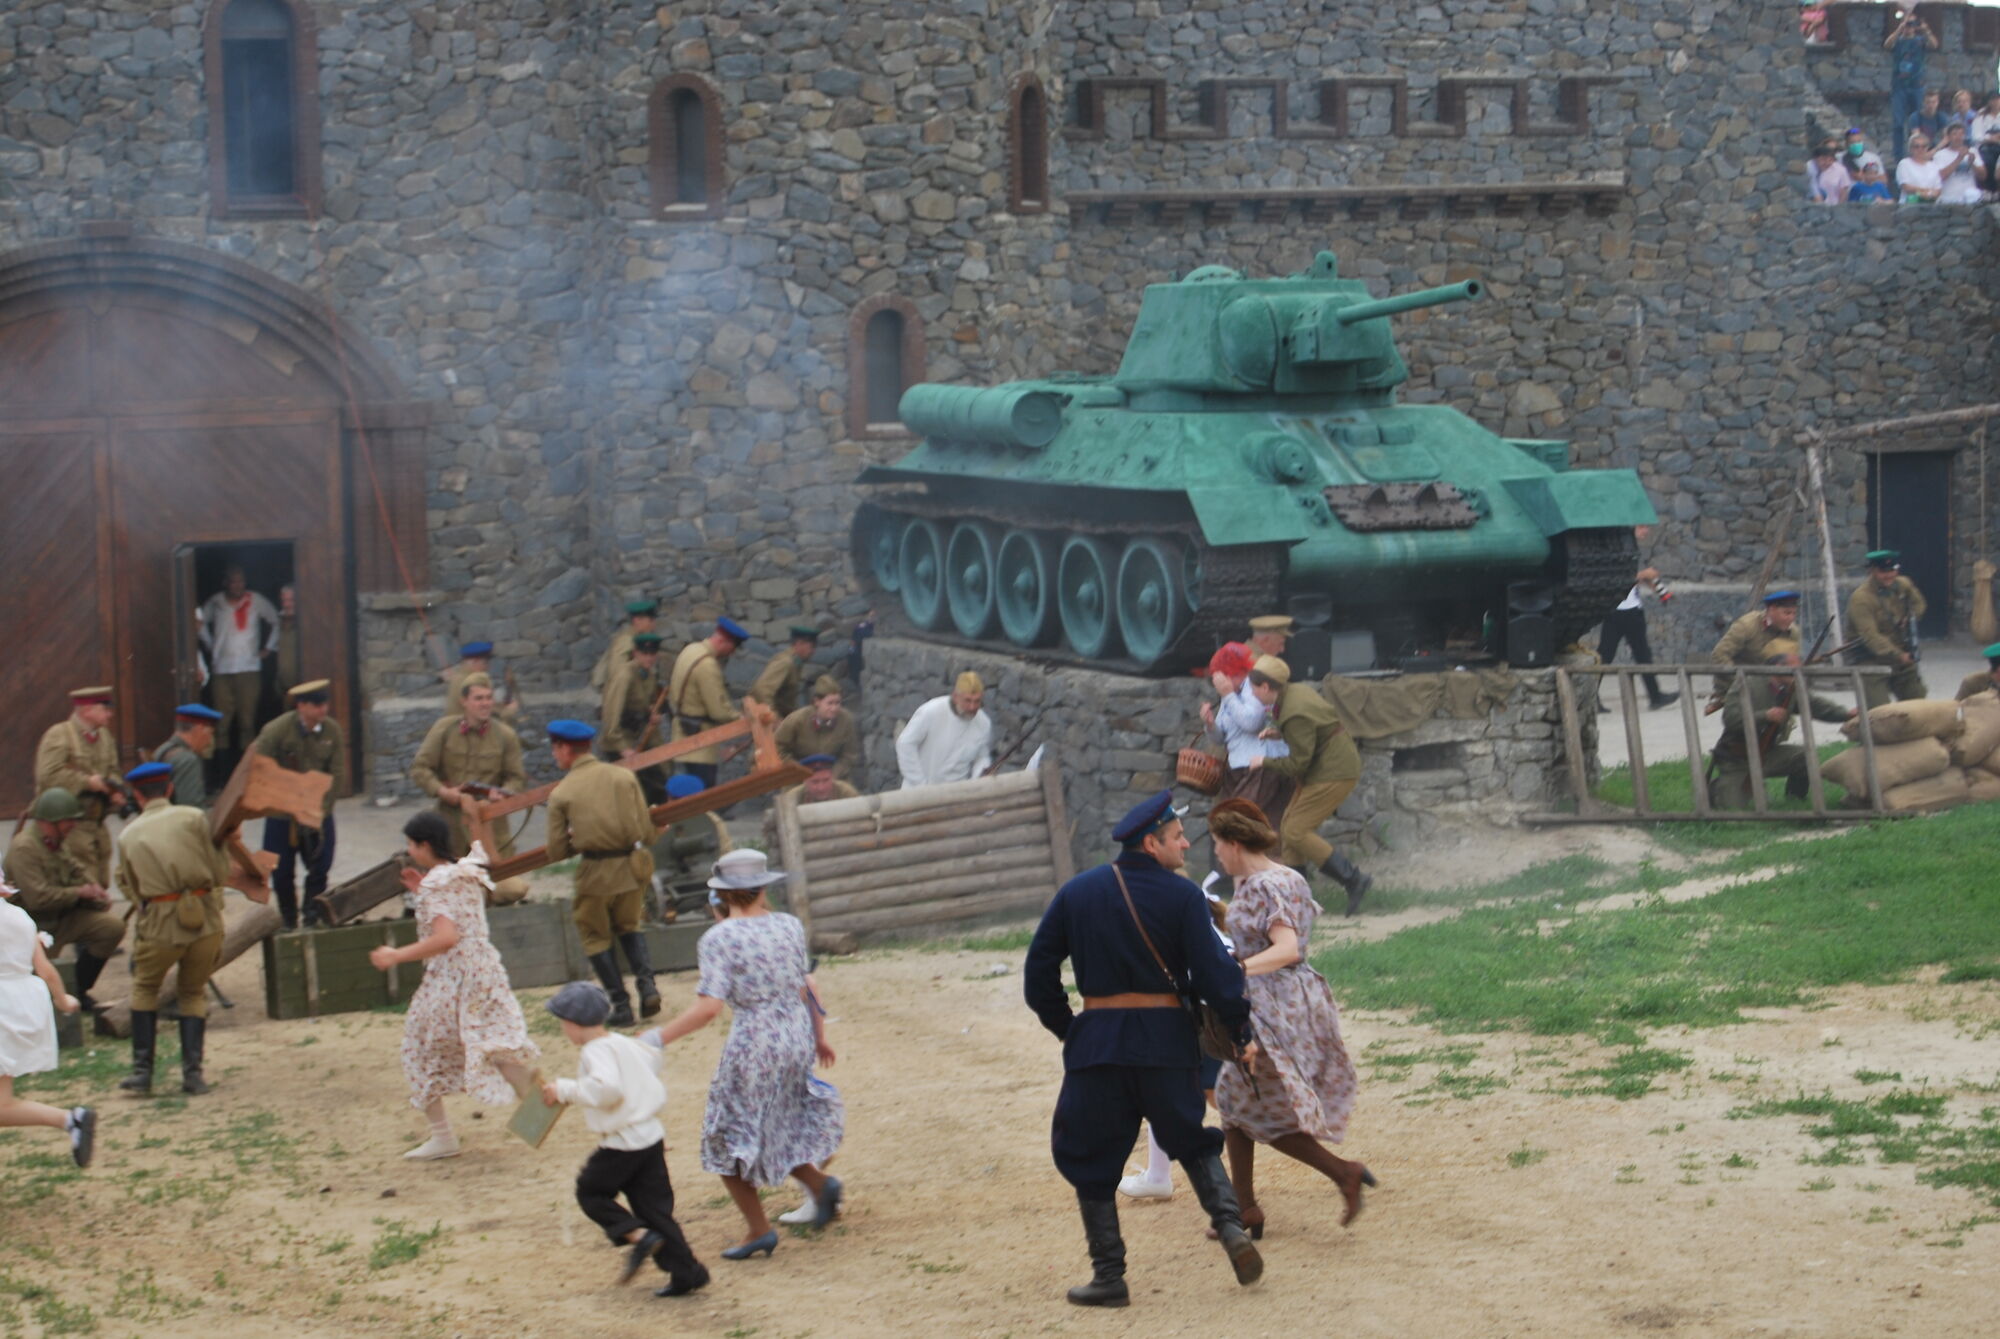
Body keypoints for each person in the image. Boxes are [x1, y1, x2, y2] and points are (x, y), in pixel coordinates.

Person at [1023, 791, 1260, 1307]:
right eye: (1177, 837)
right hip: (1166, 1043)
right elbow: (1216, 976)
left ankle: (1109, 1277)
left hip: (1098, 1046)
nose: (1186, 844)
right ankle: (1230, 1227)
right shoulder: (1183, 897)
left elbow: (1038, 975)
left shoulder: (1077, 892)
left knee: (1090, 1153)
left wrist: (1071, 1029)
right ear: (1151, 844)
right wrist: (1240, 1030)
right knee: (1191, 1140)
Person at [640, 849, 844, 1260]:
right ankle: (819, 1185)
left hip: (756, 1042)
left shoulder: (719, 938)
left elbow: (709, 1008)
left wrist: (657, 1037)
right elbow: (807, 987)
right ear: (764, 886)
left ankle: (759, 1229)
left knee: (727, 1136)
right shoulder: (788, 925)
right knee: (775, 1121)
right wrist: (818, 1036)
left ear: (721, 894)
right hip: (795, 1035)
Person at [1206, 798, 1373, 1237]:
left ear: (1235, 843)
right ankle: (1244, 1207)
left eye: (1218, 844)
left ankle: (1343, 1173)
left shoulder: (1264, 885)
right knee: (1236, 1102)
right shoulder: (1280, 878)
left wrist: (1238, 969)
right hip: (1288, 997)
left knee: (1251, 1106)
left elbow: (1286, 949)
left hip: (1273, 1003)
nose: (1216, 853)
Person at [369, 812, 538, 1161]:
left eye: (411, 844)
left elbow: (446, 937)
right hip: (483, 968)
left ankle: (442, 1136)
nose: (409, 851)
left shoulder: (438, 884)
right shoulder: (464, 872)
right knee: (487, 1039)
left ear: (424, 845)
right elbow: (455, 912)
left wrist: (396, 955)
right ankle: (537, 1100)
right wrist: (422, 890)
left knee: (419, 1045)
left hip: (452, 974)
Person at [539, 981, 708, 1297]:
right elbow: (652, 1059)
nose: (563, 1029)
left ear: (573, 1023)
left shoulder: (594, 1051)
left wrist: (564, 1090)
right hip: (650, 1137)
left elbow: (607, 1089)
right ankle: (687, 1273)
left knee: (591, 1192)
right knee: (655, 1210)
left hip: (623, 1142)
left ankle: (639, 1237)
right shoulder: (622, 1042)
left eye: (563, 1023)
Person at [115, 761, 231, 1096]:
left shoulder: (128, 835)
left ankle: (142, 1073)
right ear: (169, 789)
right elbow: (220, 872)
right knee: (193, 992)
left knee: (145, 988)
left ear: (138, 796)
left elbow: (133, 886)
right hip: (204, 916)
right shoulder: (195, 818)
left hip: (160, 920)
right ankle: (193, 1075)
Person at [545, 719, 661, 1027]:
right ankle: (647, 985)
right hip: (632, 866)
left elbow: (556, 851)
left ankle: (621, 1005)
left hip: (596, 872)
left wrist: (580, 836)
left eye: (555, 750)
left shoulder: (562, 793)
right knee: (630, 925)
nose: (555, 756)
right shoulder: (624, 776)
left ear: (565, 749)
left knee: (595, 936)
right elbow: (646, 831)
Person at [1244, 657, 1371, 916]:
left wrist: (1264, 762)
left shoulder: (1294, 712)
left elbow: (1297, 764)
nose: (1253, 694)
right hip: (1326, 766)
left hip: (1334, 771)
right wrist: (1280, 733)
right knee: (1289, 827)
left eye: (1254, 688)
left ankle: (1354, 879)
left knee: (1296, 831)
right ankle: (1298, 899)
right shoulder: (1294, 693)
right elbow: (1313, 731)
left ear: (1266, 687)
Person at [0, 874, 94, 1169]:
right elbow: (46, 970)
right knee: (2, 1105)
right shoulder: (20, 917)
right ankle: (71, 1120)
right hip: (21, 1005)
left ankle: (71, 1120)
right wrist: (63, 1000)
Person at [410, 674, 529, 902]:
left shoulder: (505, 735)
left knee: (505, 888)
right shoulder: (445, 729)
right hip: (451, 822)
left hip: (490, 824)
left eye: (489, 698)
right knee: (448, 887)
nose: (485, 703)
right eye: (478, 698)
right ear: (464, 701)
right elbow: (420, 768)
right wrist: (443, 792)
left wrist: (502, 794)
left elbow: (516, 778)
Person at [4, 789, 123, 1012]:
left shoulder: (56, 842)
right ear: (50, 822)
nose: (73, 825)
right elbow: (38, 898)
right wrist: (79, 892)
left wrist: (96, 892)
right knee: (42, 983)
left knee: (111, 928)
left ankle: (78, 990)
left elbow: (76, 869)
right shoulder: (25, 848)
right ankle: (56, 999)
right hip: (35, 928)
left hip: (61, 918)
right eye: (69, 820)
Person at [1709, 651, 1857, 810]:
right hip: (1737, 759)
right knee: (1734, 810)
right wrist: (1765, 715)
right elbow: (1731, 719)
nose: (1799, 672)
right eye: (1795, 667)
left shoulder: (1791, 689)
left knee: (1805, 756)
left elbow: (1816, 706)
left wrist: (1846, 714)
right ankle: (1718, 789)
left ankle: (1795, 800)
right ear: (1779, 667)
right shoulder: (1747, 684)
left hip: (1767, 753)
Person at [255, 680, 345, 931]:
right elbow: (261, 770)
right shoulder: (276, 731)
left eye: (325, 703)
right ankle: (288, 918)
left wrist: (321, 811)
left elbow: (337, 774)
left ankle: (312, 916)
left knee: (320, 866)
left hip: (317, 812)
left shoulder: (332, 731)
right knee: (280, 870)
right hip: (282, 813)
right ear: (301, 706)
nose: (323, 709)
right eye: (317, 705)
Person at [33, 686, 125, 887]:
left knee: (101, 879)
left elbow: (113, 769)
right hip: (70, 825)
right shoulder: (59, 735)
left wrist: (114, 789)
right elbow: (47, 776)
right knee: (83, 881)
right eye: (105, 708)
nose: (110, 714)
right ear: (87, 710)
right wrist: (86, 782)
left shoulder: (105, 737)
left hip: (97, 822)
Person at [1199, 643, 1294, 828]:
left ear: (1232, 673)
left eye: (1221, 674)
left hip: (1262, 767)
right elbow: (1220, 738)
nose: (1217, 682)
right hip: (1238, 767)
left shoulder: (1253, 687)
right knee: (1233, 822)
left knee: (1238, 823)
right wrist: (1210, 724)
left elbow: (1252, 723)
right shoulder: (1229, 694)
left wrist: (1228, 695)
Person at [1597, 524, 1680, 711]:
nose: (1646, 531)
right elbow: (1616, 578)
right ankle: (1591, 696)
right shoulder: (1618, 549)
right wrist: (1644, 574)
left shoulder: (1630, 549)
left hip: (1632, 609)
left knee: (1642, 655)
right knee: (1605, 655)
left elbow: (1631, 579)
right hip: (1618, 610)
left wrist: (1655, 586)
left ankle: (1655, 695)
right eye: (1642, 527)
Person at [198, 566, 279, 754]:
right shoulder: (216, 602)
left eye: (241, 581)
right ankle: (222, 767)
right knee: (221, 722)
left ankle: (246, 764)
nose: (237, 585)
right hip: (222, 669)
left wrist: (268, 648)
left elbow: (276, 620)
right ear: (225, 583)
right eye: (233, 581)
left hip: (248, 668)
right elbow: (199, 623)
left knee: (247, 722)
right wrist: (211, 645)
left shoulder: (255, 600)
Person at [668, 618, 749, 789]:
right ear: (724, 642)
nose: (731, 654)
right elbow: (718, 711)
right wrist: (740, 718)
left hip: (682, 730)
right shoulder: (707, 665)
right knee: (703, 790)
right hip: (700, 741)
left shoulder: (691, 649)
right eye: (732, 648)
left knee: (690, 788)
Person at [1847, 550, 1927, 708]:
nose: (1889, 575)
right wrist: (1899, 655)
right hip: (1870, 659)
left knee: (1919, 705)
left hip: (1900, 654)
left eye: (1892, 570)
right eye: (1883, 572)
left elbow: (1919, 604)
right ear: (1872, 571)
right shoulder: (1861, 599)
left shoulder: (1903, 585)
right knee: (1881, 711)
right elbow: (1870, 636)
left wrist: (1910, 617)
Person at [895, 671, 994, 788]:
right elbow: (905, 744)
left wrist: (980, 776)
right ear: (956, 696)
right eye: (967, 700)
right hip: (918, 792)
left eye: (977, 701)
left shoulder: (983, 723)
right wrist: (920, 784)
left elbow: (981, 757)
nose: (972, 707)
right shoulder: (931, 711)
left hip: (956, 792)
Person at [601, 632, 668, 805]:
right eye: (644, 654)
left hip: (639, 737)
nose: (649, 658)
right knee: (632, 791)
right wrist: (623, 748)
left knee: (656, 786)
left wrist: (651, 714)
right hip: (619, 742)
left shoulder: (648, 674)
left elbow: (644, 702)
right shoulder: (625, 676)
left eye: (652, 654)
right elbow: (611, 714)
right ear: (635, 653)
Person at [774, 676, 861, 782]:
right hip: (799, 777)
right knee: (791, 793)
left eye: (837, 703)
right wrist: (798, 771)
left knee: (849, 792)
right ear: (817, 702)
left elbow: (849, 755)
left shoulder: (846, 720)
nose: (834, 708)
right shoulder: (796, 720)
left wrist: (833, 774)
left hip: (833, 777)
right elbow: (777, 747)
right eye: (830, 703)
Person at [1885, 7, 1939, 160]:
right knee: (1898, 122)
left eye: (1911, 24)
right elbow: (1887, 45)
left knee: (1917, 121)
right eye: (1907, 23)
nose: (1909, 27)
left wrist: (1926, 30)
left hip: (1917, 86)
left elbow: (1934, 45)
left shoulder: (1920, 41)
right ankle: (1898, 156)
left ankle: (1918, 152)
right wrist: (1899, 29)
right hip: (1899, 87)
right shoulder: (1898, 40)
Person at [154, 703, 223, 812]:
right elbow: (191, 810)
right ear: (200, 729)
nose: (210, 740)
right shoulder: (188, 760)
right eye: (210, 733)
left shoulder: (162, 749)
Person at [1710, 590, 1802, 668]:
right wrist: (1739, 679)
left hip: (1772, 681)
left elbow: (1792, 661)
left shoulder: (1793, 632)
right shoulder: (1746, 626)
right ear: (1772, 609)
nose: (1791, 618)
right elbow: (1719, 655)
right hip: (1737, 680)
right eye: (1787, 613)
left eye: (1794, 613)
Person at [591, 598, 660, 695]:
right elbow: (617, 674)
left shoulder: (639, 637)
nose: (653, 624)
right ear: (637, 621)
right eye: (650, 620)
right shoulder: (626, 641)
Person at [751, 626, 820, 721]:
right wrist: (775, 718)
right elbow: (761, 690)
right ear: (800, 643)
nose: (813, 651)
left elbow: (786, 701)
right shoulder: (786, 662)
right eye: (811, 647)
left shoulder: (796, 663)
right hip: (761, 719)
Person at [445, 642, 521, 723]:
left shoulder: (459, 676)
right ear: (475, 661)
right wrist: (509, 711)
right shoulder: (472, 681)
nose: (487, 667)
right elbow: (486, 713)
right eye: (485, 663)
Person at [1936, 120, 1983, 203]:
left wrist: (1972, 163)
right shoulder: (1940, 154)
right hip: (1949, 198)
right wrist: (1959, 158)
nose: (1958, 137)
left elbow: (1983, 176)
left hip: (1971, 198)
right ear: (1948, 137)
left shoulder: (1973, 151)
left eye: (1961, 134)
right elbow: (1940, 177)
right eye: (1955, 134)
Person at [785, 755, 859, 807]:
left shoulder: (847, 793)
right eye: (815, 782)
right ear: (805, 780)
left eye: (826, 780)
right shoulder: (792, 798)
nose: (821, 788)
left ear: (832, 777)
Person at [1896, 132, 1943, 202]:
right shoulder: (1904, 164)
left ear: (1927, 148)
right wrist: (1925, 192)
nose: (1920, 149)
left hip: (1930, 204)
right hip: (1909, 204)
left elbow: (1938, 189)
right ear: (1910, 148)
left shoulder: (1934, 166)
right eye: (1916, 146)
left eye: (1923, 146)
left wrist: (1928, 194)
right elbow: (1905, 186)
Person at [275, 584, 301, 695]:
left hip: (304, 685)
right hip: (285, 687)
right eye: (284, 601)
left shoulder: (307, 621)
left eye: (291, 600)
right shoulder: (278, 621)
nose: (287, 605)